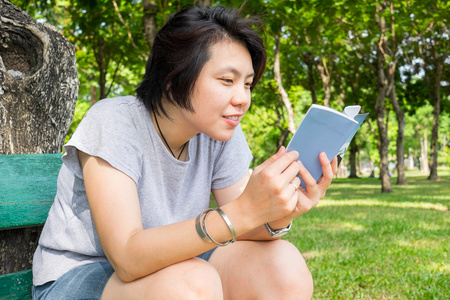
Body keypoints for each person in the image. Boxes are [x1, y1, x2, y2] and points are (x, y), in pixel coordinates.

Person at [32, 5, 337, 300]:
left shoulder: (221, 133)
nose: (242, 99)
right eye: (227, 81)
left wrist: (277, 213)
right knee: (193, 283)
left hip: (177, 265)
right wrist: (243, 210)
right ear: (173, 76)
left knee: (283, 266)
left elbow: (243, 225)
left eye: (247, 84)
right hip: (84, 275)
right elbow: (126, 257)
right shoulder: (114, 122)